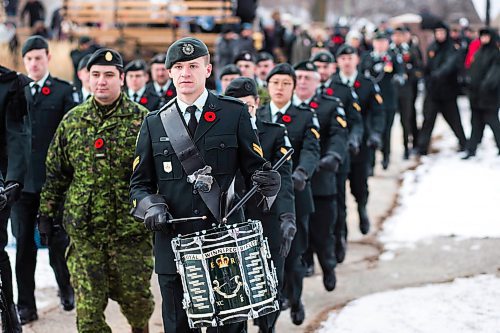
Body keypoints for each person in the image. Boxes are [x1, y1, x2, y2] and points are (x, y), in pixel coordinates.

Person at [130, 37, 281, 333]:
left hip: (226, 244)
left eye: (193, 66)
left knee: (229, 329)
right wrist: (151, 207)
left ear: (207, 69)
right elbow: (139, 185)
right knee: (177, 327)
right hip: (174, 246)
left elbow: (256, 172)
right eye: (178, 67)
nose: (186, 73)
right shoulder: (154, 123)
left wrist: (270, 184)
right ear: (169, 72)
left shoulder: (234, 113)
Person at [39, 48, 155, 333]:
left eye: (108, 75)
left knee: (138, 303)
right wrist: (46, 213)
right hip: (85, 233)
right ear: (87, 79)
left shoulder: (144, 121)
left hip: (131, 235)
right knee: (88, 315)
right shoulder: (73, 121)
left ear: (121, 78)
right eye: (95, 75)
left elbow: (158, 176)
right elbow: (57, 173)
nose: (101, 81)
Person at [11, 35, 76, 325]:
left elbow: (69, 140)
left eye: (38, 57)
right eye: (29, 59)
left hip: (54, 184)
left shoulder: (63, 92)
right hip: (22, 185)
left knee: (58, 243)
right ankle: (26, 305)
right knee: (24, 246)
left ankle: (66, 286)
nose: (34, 63)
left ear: (48, 58)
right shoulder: (15, 91)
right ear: (24, 62)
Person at [225, 77, 295, 333]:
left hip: (268, 216)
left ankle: (267, 327)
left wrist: (288, 216)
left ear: (257, 103)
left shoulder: (275, 132)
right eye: (237, 106)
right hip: (235, 218)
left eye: (248, 105)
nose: (245, 111)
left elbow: (284, 178)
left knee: (270, 279)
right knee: (237, 286)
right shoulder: (222, 134)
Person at [257, 63, 320, 326]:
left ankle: (295, 298)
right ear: (268, 87)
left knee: (294, 256)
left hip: (295, 195)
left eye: (286, 83)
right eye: (275, 83)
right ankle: (272, 305)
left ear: (293, 88)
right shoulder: (256, 115)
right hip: (261, 202)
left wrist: (302, 173)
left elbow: (311, 148)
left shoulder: (305, 115)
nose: (280, 88)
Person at [292, 60, 348, 289]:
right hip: (295, 182)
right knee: (299, 232)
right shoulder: (286, 108)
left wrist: (334, 155)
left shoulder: (330, 105)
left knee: (323, 230)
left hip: (322, 177)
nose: (303, 82)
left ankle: (328, 265)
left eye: (308, 78)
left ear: (318, 82)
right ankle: (304, 265)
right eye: (300, 77)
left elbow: (338, 134)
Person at [336, 44, 385, 254]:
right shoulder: (332, 85)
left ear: (357, 60)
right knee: (338, 192)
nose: (347, 61)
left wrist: (375, 133)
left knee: (359, 185)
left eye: (350, 57)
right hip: (337, 146)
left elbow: (377, 112)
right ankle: (342, 231)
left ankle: (362, 208)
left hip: (360, 146)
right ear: (338, 62)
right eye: (343, 58)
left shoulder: (366, 84)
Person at [0, 64, 31, 333]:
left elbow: (18, 134)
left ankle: (9, 316)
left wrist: (13, 180)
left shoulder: (10, 85)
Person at [417, 22, 467, 155]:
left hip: (448, 92)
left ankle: (464, 143)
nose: (439, 35)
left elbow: (450, 66)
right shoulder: (432, 47)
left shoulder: (452, 48)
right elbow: (427, 66)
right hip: (433, 92)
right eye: (437, 33)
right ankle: (422, 147)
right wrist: (427, 78)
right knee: (428, 121)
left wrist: (436, 75)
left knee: (454, 120)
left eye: (442, 33)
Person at [360, 30, 404, 170]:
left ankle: (386, 157)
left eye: (383, 42)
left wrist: (399, 78)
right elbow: (361, 74)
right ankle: (370, 163)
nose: (380, 45)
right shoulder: (367, 57)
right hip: (370, 101)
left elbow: (400, 71)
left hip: (388, 100)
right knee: (371, 131)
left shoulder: (392, 57)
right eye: (378, 42)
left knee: (386, 131)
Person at [463, 27, 500, 159]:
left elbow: (494, 74)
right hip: (476, 96)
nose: (484, 39)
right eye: (482, 36)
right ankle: (471, 149)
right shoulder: (478, 52)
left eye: (486, 36)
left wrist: (485, 86)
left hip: (488, 97)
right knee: (476, 124)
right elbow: (472, 70)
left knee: (494, 124)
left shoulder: (495, 53)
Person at [392, 27, 423, 158]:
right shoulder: (391, 50)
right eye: (396, 35)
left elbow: (419, 69)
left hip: (408, 89)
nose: (398, 37)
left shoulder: (412, 50)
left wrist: (408, 72)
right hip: (393, 90)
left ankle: (410, 145)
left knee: (408, 119)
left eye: (401, 35)